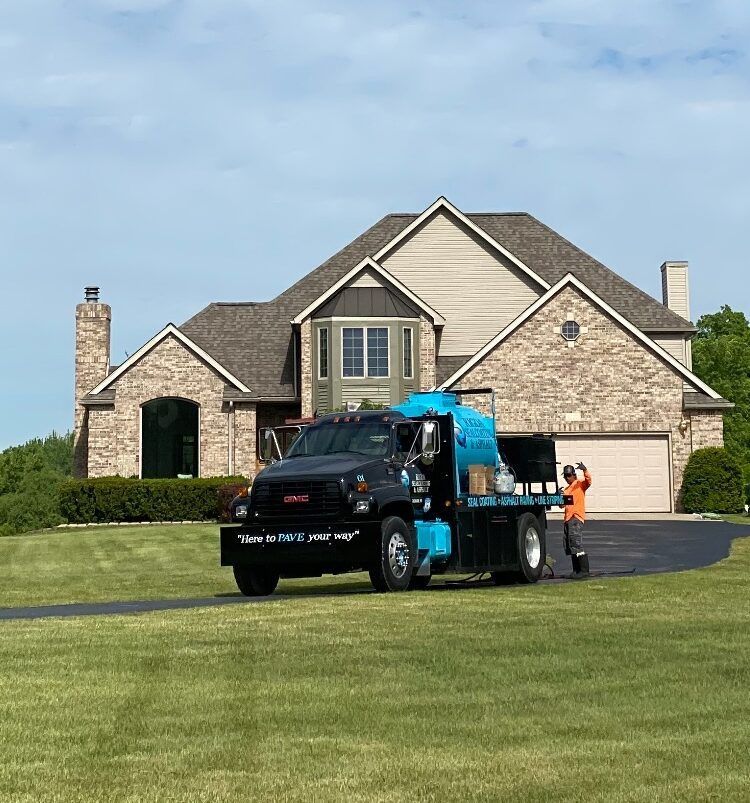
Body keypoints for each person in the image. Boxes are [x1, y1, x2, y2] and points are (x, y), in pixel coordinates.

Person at [562, 462, 592, 578]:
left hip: (576, 517)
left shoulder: (580, 484)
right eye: (565, 476)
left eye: (568, 475)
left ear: (574, 475)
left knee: (576, 543)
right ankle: (576, 571)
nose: (567, 478)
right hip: (568, 519)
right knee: (570, 545)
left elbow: (589, 481)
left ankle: (584, 570)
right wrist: (559, 496)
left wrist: (585, 470)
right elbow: (562, 505)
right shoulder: (566, 489)